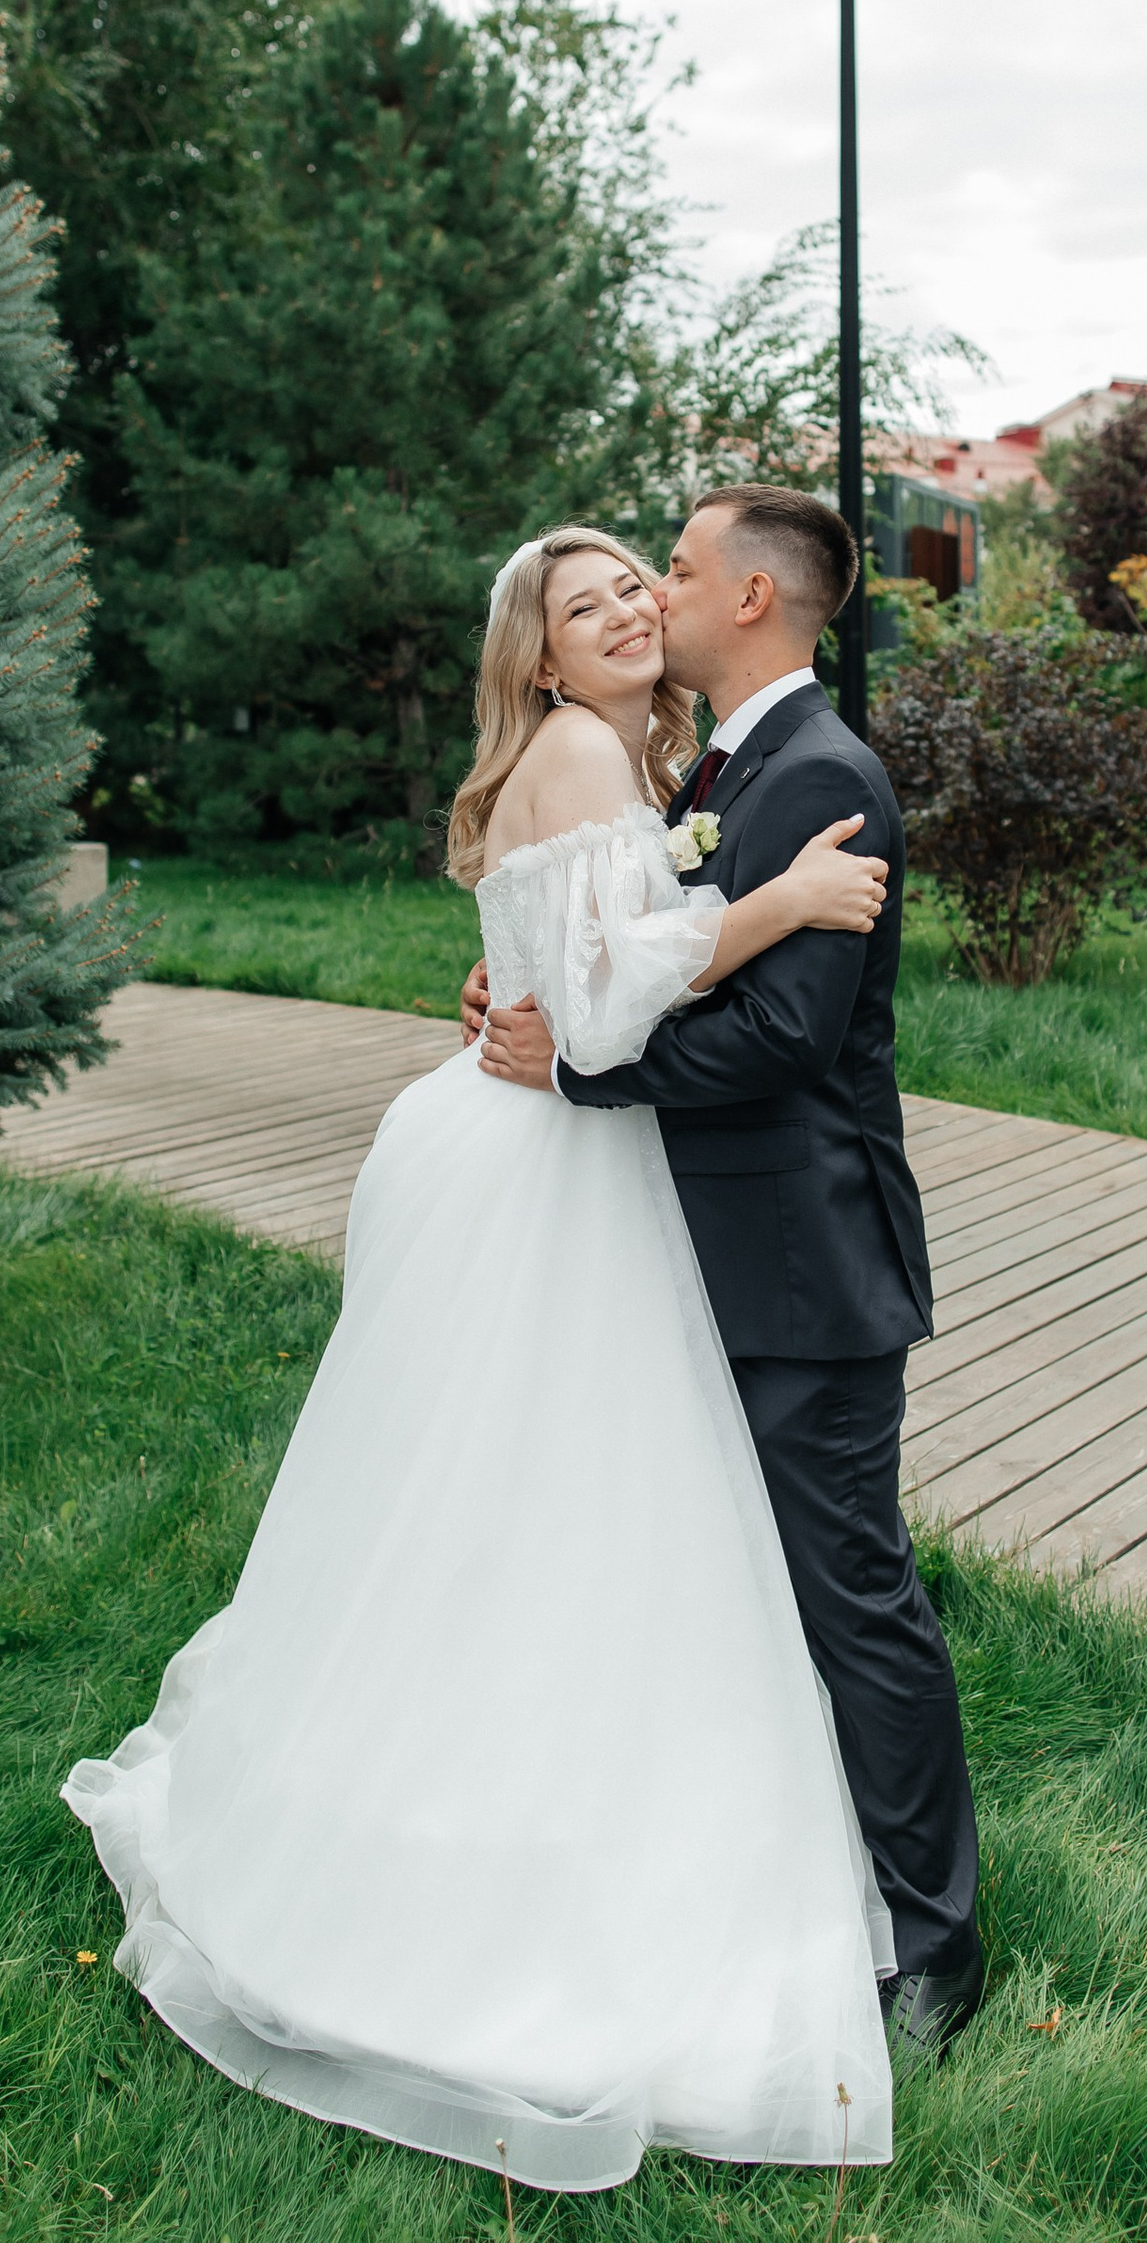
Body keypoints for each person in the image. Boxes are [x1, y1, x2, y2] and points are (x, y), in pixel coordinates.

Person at [63, 523, 905, 2194]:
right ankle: (497, 1856)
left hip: (548, 1150)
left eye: (641, 582)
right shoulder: (592, 748)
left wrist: (545, 965)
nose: (631, 606)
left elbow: (576, 960)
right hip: (549, 1170)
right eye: (592, 602)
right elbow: (600, 1009)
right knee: (539, 1497)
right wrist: (781, 903)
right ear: (541, 656)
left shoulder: (650, 759)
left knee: (525, 1504)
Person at [466, 484, 982, 2051]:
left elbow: (780, 1039)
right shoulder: (710, 769)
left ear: (752, 598)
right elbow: (641, 940)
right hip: (706, 1253)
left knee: (853, 1598)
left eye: (675, 571)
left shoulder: (821, 773)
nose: (655, 595)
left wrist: (577, 1071)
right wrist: (532, 983)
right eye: (623, 586)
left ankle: (938, 1946)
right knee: (726, 1587)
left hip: (803, 1266)